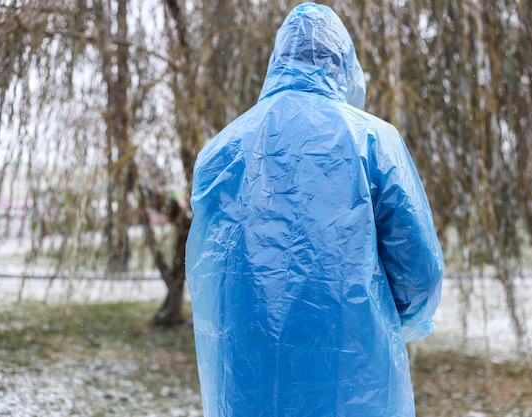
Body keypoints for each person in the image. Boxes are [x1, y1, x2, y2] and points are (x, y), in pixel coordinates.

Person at [185, 3, 444, 416]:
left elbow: (209, 275)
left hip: (246, 383)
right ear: (342, 65)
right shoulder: (373, 142)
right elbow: (419, 273)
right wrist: (392, 322)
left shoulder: (222, 152)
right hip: (356, 377)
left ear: (277, 61)